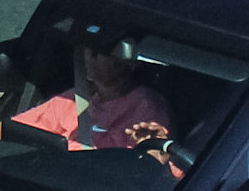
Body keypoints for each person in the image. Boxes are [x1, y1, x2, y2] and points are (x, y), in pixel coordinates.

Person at [13, 43, 174, 156]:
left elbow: (143, 166)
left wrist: (157, 154)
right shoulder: (74, 98)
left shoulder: (146, 106)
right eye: (88, 47)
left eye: (99, 51)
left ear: (127, 62)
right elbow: (14, 131)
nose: (89, 55)